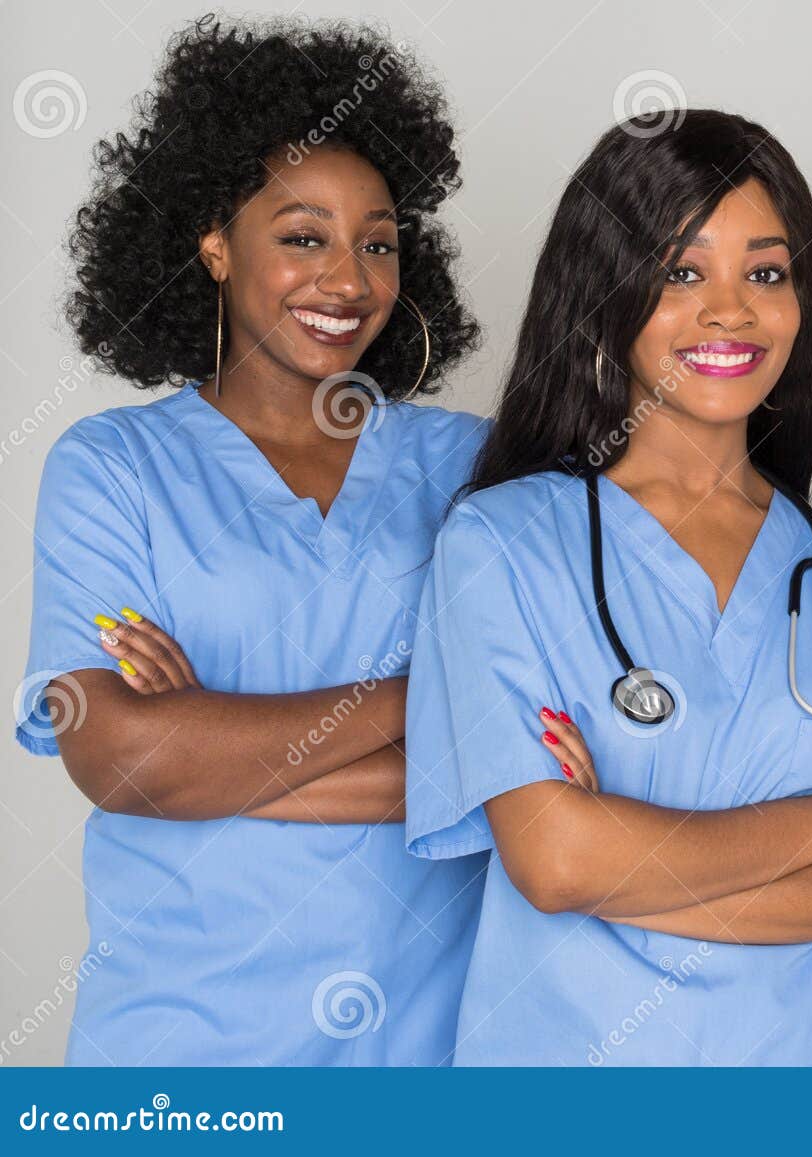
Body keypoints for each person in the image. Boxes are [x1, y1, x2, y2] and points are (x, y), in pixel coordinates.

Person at [404, 110, 812, 1066]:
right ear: (605, 295)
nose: (730, 310)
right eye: (682, 272)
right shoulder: (502, 541)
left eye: (767, 273)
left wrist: (628, 856)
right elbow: (554, 859)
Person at [16, 16, 487, 1065]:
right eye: (303, 235)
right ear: (216, 242)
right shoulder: (113, 468)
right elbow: (122, 760)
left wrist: (211, 746)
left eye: (378, 240)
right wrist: (423, 703)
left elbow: (527, 770)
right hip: (183, 1051)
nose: (350, 279)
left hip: (431, 1054)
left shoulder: (474, 466)